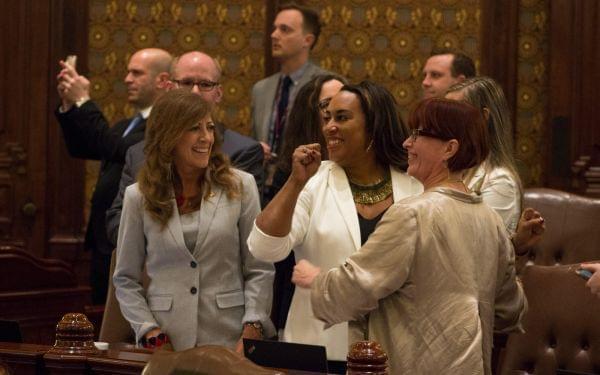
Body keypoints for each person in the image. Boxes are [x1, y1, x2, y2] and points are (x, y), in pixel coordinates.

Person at [292, 98, 526, 374]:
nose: (407, 143)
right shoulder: (490, 220)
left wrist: (316, 281)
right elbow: (510, 308)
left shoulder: (412, 214)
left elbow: (358, 286)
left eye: (418, 134)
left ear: (449, 148)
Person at [247, 81, 423, 364]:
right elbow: (265, 248)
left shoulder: (414, 188)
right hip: (318, 347)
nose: (329, 126)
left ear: (374, 124)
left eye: (342, 118)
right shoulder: (314, 183)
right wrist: (295, 181)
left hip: (394, 352)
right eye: (327, 117)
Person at [113, 89, 275, 352]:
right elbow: (125, 279)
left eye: (210, 128)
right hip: (167, 343)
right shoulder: (138, 196)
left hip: (230, 340)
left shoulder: (241, 186)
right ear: (168, 135)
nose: (206, 138)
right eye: (194, 128)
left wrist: (252, 327)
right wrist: (149, 331)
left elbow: (259, 268)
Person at [106, 51, 264, 245]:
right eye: (187, 83)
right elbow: (116, 224)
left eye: (205, 84)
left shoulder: (243, 151)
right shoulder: (139, 152)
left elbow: (248, 232)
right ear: (170, 88)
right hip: (153, 269)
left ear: (219, 94)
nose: (195, 92)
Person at [55, 48, 172, 304]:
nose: (127, 79)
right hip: (102, 240)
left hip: (129, 241)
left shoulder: (164, 125)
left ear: (162, 80)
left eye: (137, 73)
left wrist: (84, 101)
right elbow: (83, 147)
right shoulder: (124, 125)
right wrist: (69, 105)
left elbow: (114, 147)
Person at [266, 73, 348, 336]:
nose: (335, 111)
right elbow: (275, 253)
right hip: (299, 301)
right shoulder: (290, 174)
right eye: (327, 105)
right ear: (311, 114)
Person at [445, 77, 545, 249]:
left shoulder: (499, 181)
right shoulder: (452, 168)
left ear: (483, 118)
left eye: (454, 114)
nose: (443, 122)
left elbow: (479, 251)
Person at [251, 2, 327, 202]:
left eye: (284, 30)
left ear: (307, 40)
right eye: (275, 28)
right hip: (262, 189)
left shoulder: (326, 86)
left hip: (307, 190)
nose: (274, 35)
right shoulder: (260, 89)